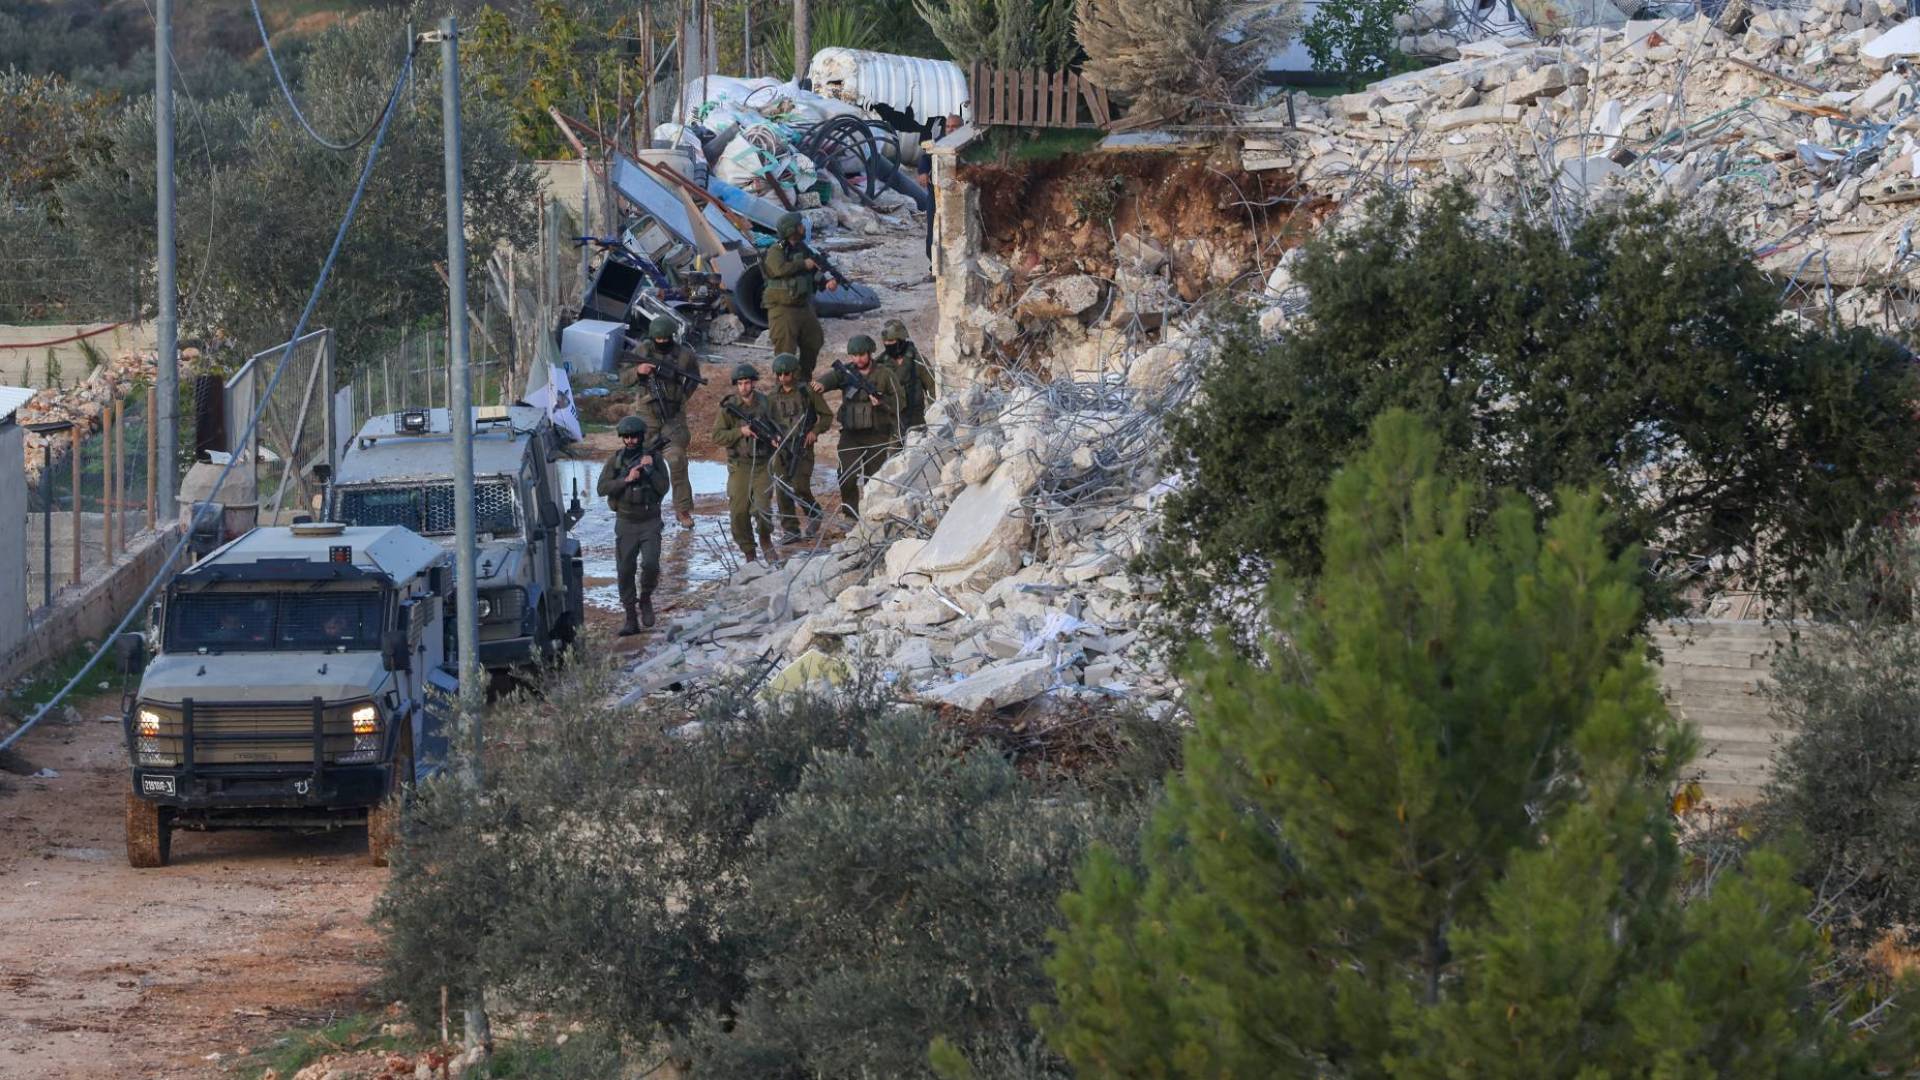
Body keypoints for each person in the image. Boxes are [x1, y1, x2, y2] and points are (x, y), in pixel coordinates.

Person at [617, 315, 701, 528]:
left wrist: (682, 397)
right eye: (658, 339)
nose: (662, 342)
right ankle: (647, 511)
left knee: (677, 460)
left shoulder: (684, 355)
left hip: (673, 418)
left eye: (666, 339)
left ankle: (683, 510)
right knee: (644, 464)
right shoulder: (642, 351)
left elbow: (694, 378)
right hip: (647, 416)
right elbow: (624, 378)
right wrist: (638, 371)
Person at [596, 415, 671, 634]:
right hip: (626, 521)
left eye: (634, 437)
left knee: (651, 564)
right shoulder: (615, 460)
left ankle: (645, 598)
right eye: (626, 437)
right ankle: (630, 616)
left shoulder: (654, 459)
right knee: (625, 570)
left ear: (641, 437)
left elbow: (664, 488)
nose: (630, 441)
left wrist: (649, 470)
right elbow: (601, 488)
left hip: (650, 520)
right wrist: (626, 479)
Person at [812, 335, 900, 519]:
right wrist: (821, 384)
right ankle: (850, 515)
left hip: (877, 434)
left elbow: (900, 401)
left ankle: (872, 515)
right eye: (854, 355)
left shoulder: (884, 374)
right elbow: (830, 379)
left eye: (861, 355)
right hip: (851, 434)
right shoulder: (846, 372)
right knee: (846, 475)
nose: (858, 359)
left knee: (873, 479)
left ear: (870, 353)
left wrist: (882, 402)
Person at [712, 363, 778, 564]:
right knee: (738, 512)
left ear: (753, 383)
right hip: (739, 465)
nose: (744, 387)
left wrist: (776, 437)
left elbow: (780, 426)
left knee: (762, 509)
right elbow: (717, 436)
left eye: (747, 383)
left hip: (762, 465)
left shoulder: (766, 403)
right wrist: (740, 432)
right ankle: (749, 551)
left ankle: (765, 539)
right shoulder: (729, 408)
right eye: (740, 383)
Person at [760, 212, 837, 381]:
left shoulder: (802, 248)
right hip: (783, 309)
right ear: (791, 230)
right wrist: (803, 264)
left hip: (803, 305)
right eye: (800, 225)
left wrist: (826, 282)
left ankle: (803, 379)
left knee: (814, 340)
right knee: (786, 353)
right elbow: (778, 269)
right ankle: (784, 387)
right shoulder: (777, 249)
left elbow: (813, 270)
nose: (803, 228)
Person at [765, 352, 833, 542]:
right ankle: (791, 530)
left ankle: (814, 512)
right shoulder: (772, 397)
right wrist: (772, 437)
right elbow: (767, 421)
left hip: (802, 446)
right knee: (782, 488)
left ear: (794, 373)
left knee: (800, 486)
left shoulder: (807, 392)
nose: (782, 378)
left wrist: (815, 431)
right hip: (782, 448)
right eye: (779, 374)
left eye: (786, 374)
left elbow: (827, 416)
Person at [880, 319, 936, 433]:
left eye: (891, 341)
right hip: (891, 423)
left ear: (901, 340)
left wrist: (934, 417)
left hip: (916, 422)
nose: (888, 344)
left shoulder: (918, 361)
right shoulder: (880, 364)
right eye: (885, 342)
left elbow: (933, 390)